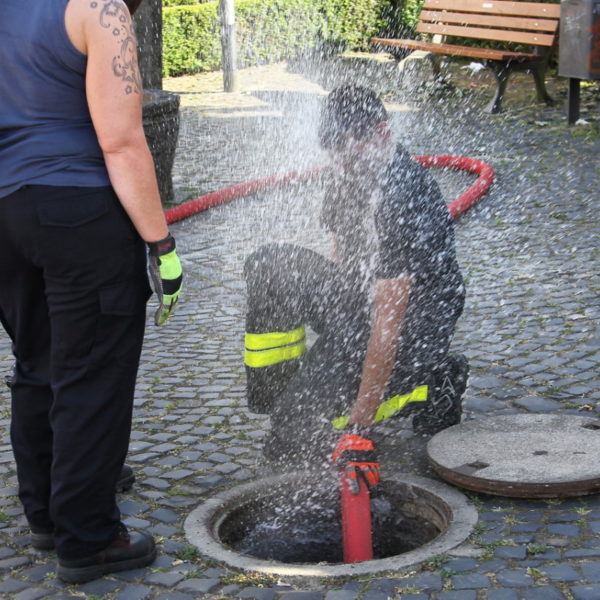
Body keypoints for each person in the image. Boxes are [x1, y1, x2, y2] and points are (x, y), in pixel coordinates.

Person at [0, 0, 182, 584]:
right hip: (78, 212)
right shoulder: (96, 10)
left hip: (5, 215)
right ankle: (89, 538)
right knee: (92, 375)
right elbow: (122, 140)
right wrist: (162, 245)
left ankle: (48, 517)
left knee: (37, 364)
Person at [243, 85, 468, 480]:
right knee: (268, 263)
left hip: (418, 320)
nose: (342, 167)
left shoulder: (402, 197)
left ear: (382, 133)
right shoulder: (349, 171)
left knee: (291, 440)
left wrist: (360, 431)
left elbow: (388, 324)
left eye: (349, 155)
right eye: (336, 158)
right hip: (366, 304)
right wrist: (332, 340)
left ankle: (435, 379)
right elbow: (340, 260)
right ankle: (277, 395)